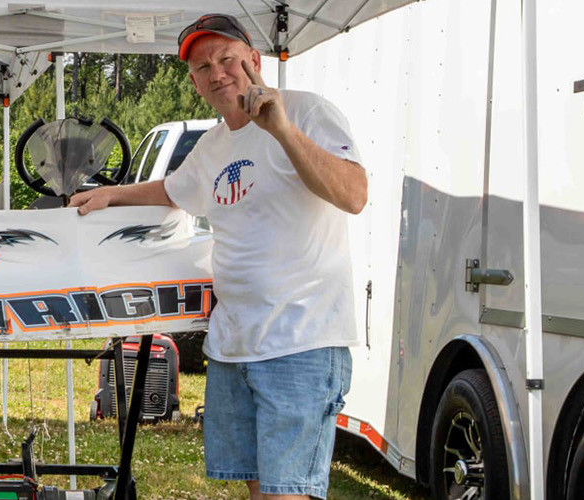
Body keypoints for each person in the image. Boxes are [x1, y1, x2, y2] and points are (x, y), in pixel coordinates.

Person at [69, 13, 366, 500]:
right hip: (234, 346)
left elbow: (354, 194)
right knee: (258, 489)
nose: (218, 72)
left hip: (301, 341)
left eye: (226, 58)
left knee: (284, 494)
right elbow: (173, 189)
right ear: (194, 82)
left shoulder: (308, 112)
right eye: (204, 67)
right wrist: (114, 195)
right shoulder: (212, 145)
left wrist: (281, 130)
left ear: (254, 58)